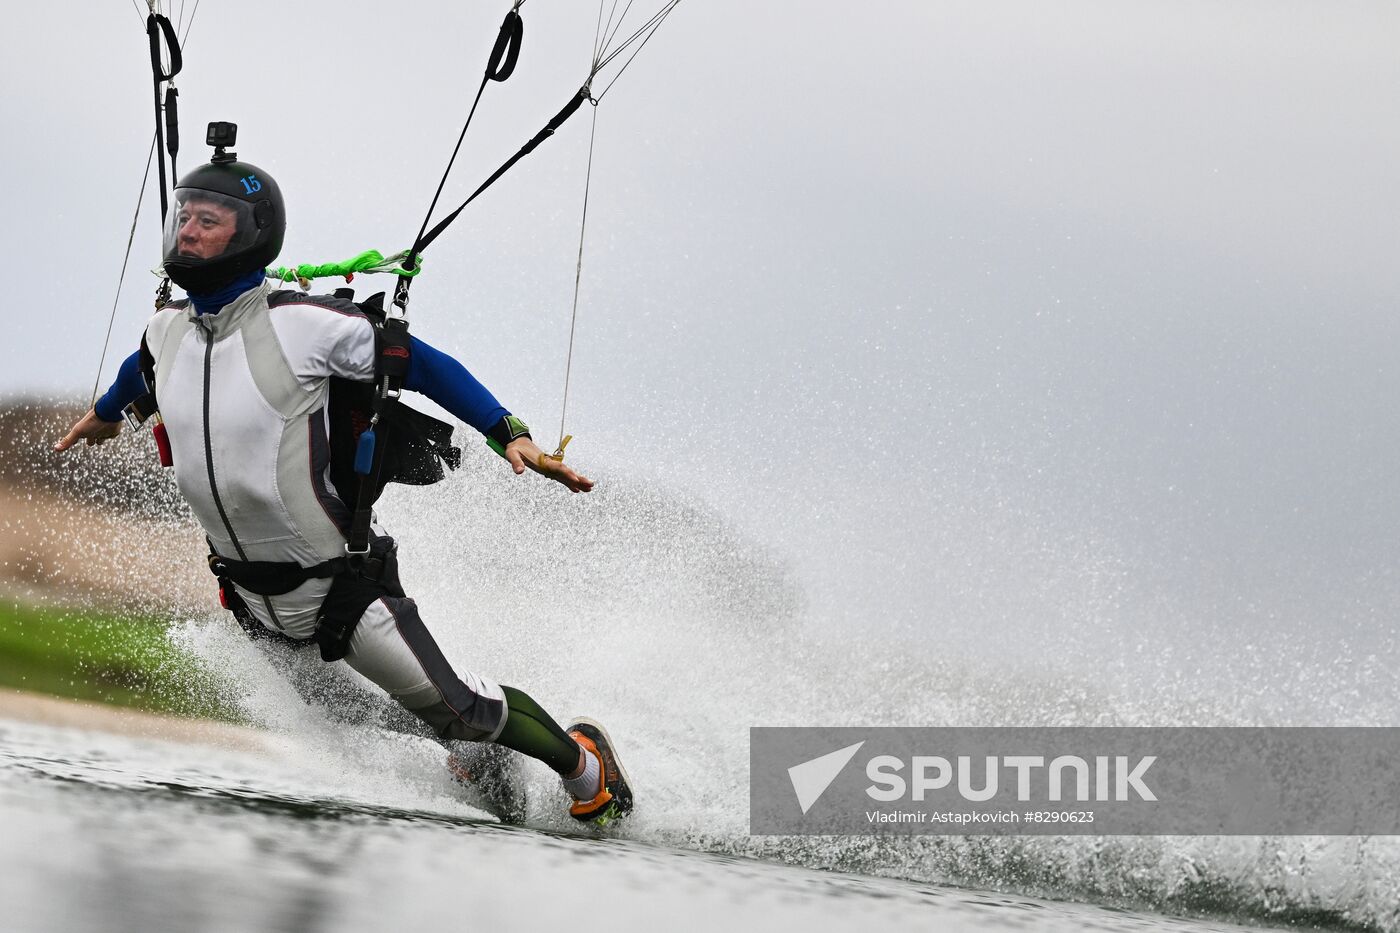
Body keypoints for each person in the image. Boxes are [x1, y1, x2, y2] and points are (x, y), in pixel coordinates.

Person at [55, 137, 633, 826]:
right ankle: (476, 757)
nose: (189, 228)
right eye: (184, 215)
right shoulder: (165, 329)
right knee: (351, 711)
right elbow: (138, 369)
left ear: (253, 234)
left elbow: (418, 362)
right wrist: (103, 413)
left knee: (459, 707)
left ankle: (588, 764)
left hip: (343, 587)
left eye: (210, 219)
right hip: (249, 594)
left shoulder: (303, 325)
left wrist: (508, 431)